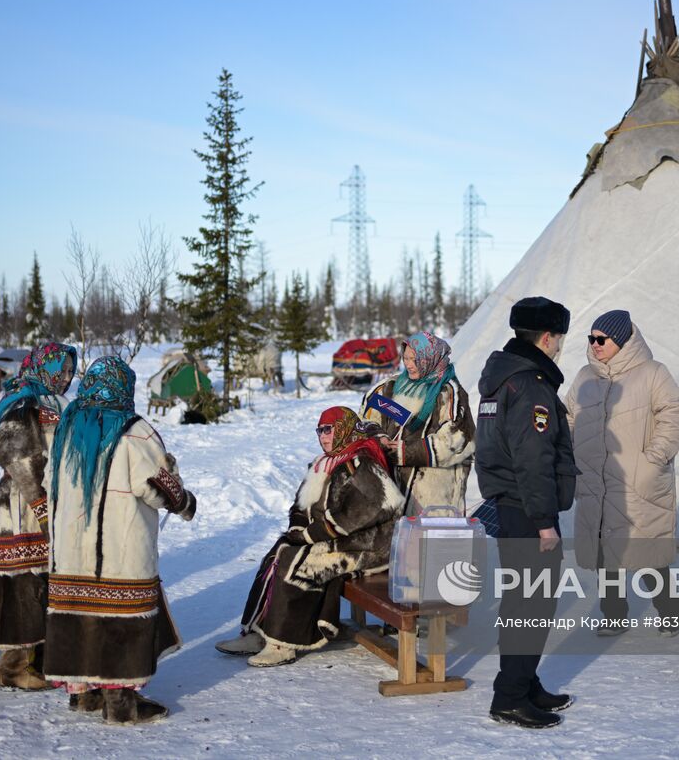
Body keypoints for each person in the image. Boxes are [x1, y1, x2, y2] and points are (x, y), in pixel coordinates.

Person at [41, 356, 196, 725]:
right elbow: (156, 485)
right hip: (119, 549)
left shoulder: (69, 427)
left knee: (81, 614)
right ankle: (121, 704)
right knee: (119, 617)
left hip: (70, 552)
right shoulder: (133, 430)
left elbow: (48, 483)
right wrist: (183, 499)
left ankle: (85, 695)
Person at [215, 407, 405, 667]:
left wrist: (319, 533)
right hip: (334, 539)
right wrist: (298, 529)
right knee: (278, 553)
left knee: (299, 563)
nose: (324, 436)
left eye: (330, 429)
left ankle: (283, 643)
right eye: (320, 430)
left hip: (369, 545)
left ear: (345, 429)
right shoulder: (323, 463)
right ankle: (258, 632)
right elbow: (300, 506)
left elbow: (384, 504)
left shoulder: (361, 461)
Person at [474, 296, 578, 729]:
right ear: (548, 337)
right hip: (527, 508)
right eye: (559, 339)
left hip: (509, 503)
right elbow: (532, 460)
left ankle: (524, 680)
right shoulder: (531, 385)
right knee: (531, 603)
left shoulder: (501, 379)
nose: (559, 347)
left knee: (522, 599)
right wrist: (544, 523)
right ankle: (510, 696)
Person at [567, 310, 679, 632]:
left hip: (637, 479)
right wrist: (570, 455)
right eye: (590, 339)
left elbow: (673, 414)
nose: (594, 345)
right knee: (606, 552)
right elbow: (569, 417)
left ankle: (670, 612)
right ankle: (614, 616)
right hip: (595, 479)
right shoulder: (584, 377)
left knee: (647, 552)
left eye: (601, 339)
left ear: (621, 340)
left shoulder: (652, 373)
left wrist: (654, 459)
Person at [0, 342, 78, 690]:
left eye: (68, 370)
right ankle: (14, 667)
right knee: (23, 582)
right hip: (21, 505)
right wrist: (40, 502)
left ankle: (41, 658)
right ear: (42, 367)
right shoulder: (23, 399)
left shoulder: (51, 400)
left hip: (47, 501)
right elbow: (11, 450)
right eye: (58, 370)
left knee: (44, 581)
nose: (64, 377)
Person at [360, 331, 475, 515]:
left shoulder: (449, 393)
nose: (409, 364)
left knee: (425, 542)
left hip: (432, 499)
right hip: (392, 492)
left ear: (430, 358)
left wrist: (403, 452)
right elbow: (366, 419)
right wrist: (378, 438)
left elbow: (457, 442)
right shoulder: (390, 387)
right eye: (406, 358)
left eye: (415, 359)